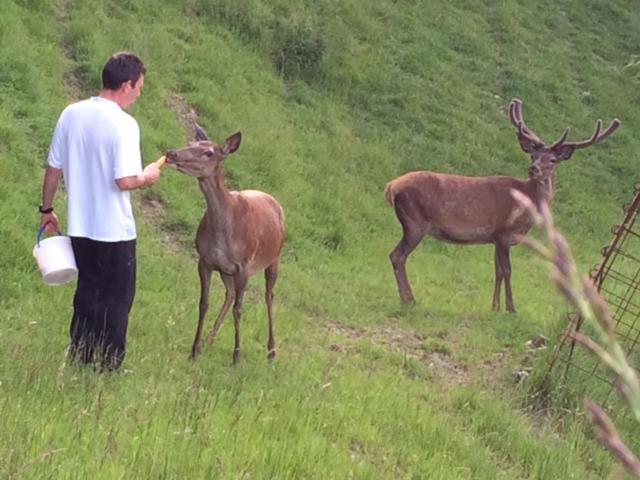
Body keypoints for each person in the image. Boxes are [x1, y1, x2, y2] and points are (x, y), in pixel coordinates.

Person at [39, 51, 161, 371]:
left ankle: (81, 356)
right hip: (115, 231)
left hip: (80, 227)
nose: (138, 94)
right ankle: (109, 366)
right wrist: (147, 176)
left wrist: (47, 209)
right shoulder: (124, 124)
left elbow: (53, 168)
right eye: (139, 88)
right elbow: (124, 180)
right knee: (118, 299)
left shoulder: (71, 113)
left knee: (87, 293)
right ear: (126, 85)